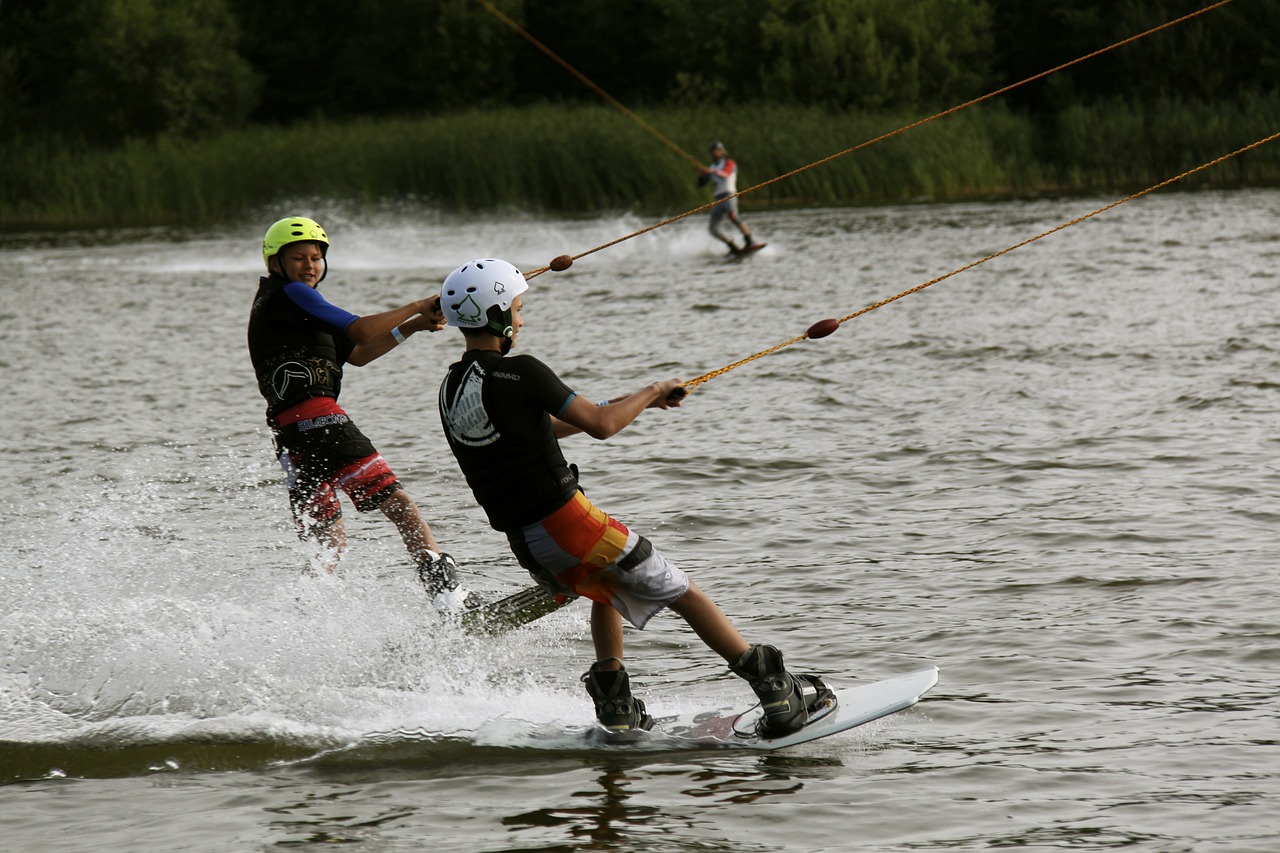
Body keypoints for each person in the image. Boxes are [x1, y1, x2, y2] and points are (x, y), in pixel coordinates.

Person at [435, 257, 834, 736]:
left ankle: (617, 711)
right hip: (571, 526)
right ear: (496, 313)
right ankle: (777, 691)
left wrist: (638, 404)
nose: (522, 319)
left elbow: (543, 428)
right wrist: (653, 387)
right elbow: (601, 426)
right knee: (682, 591)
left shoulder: (453, 385)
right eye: (518, 308)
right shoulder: (521, 371)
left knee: (605, 591)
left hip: (529, 544)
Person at [247, 215, 473, 610]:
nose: (309, 266)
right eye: (298, 257)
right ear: (275, 264)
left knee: (328, 544)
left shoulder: (296, 308)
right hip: (320, 420)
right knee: (400, 505)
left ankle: (296, 613)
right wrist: (418, 304)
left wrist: (416, 325)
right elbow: (361, 330)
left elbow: (360, 353)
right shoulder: (293, 295)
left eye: (316, 257)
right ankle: (447, 595)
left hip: (290, 436)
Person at [697, 140, 758, 255]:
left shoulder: (729, 163)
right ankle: (732, 246)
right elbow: (701, 184)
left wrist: (711, 171)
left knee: (733, 217)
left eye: (718, 151)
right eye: (713, 151)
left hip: (729, 195)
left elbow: (726, 174)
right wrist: (702, 175)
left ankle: (750, 241)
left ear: (722, 152)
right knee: (713, 229)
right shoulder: (712, 166)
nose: (716, 153)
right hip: (717, 199)